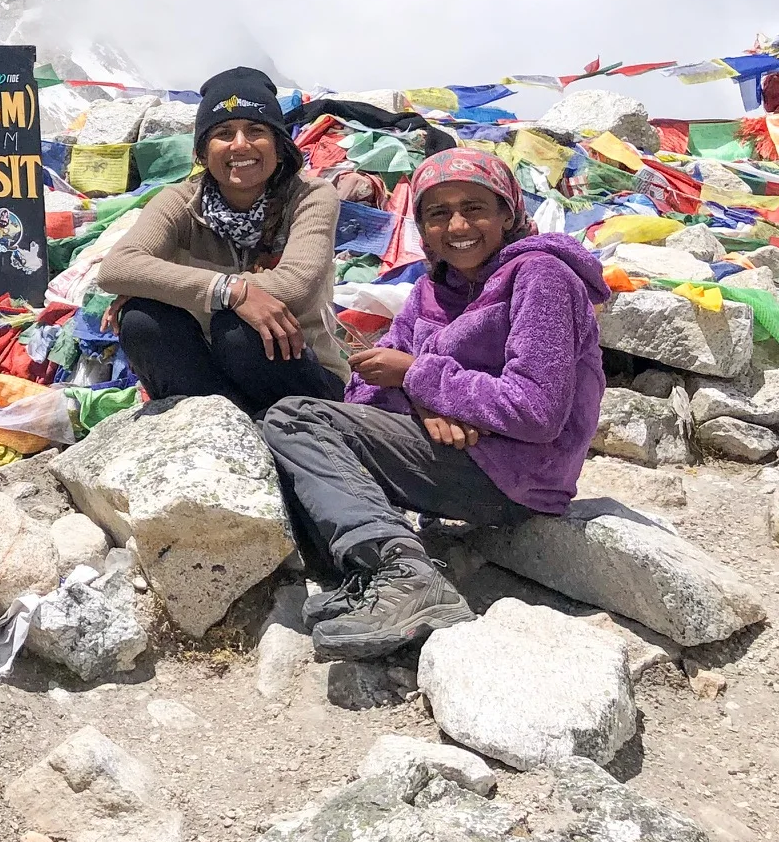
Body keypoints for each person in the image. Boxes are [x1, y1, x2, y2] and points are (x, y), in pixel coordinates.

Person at [261, 147, 610, 661]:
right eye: (438, 213)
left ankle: (402, 574)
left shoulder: (540, 278)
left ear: (507, 213)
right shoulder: (431, 290)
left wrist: (421, 377)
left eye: (474, 207)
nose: (458, 224)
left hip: (517, 475)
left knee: (296, 419)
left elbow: (538, 411)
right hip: (458, 457)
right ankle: (370, 578)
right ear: (422, 227)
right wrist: (428, 403)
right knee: (287, 431)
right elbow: (368, 394)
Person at [96, 66, 345, 417]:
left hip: (301, 375)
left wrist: (163, 284)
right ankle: (222, 429)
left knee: (238, 330)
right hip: (208, 377)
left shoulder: (310, 196)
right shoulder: (179, 201)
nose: (240, 145)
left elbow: (295, 286)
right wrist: (231, 292)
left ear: (278, 145)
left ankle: (276, 434)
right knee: (142, 318)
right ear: (202, 152)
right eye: (224, 133)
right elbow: (117, 268)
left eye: (256, 130)